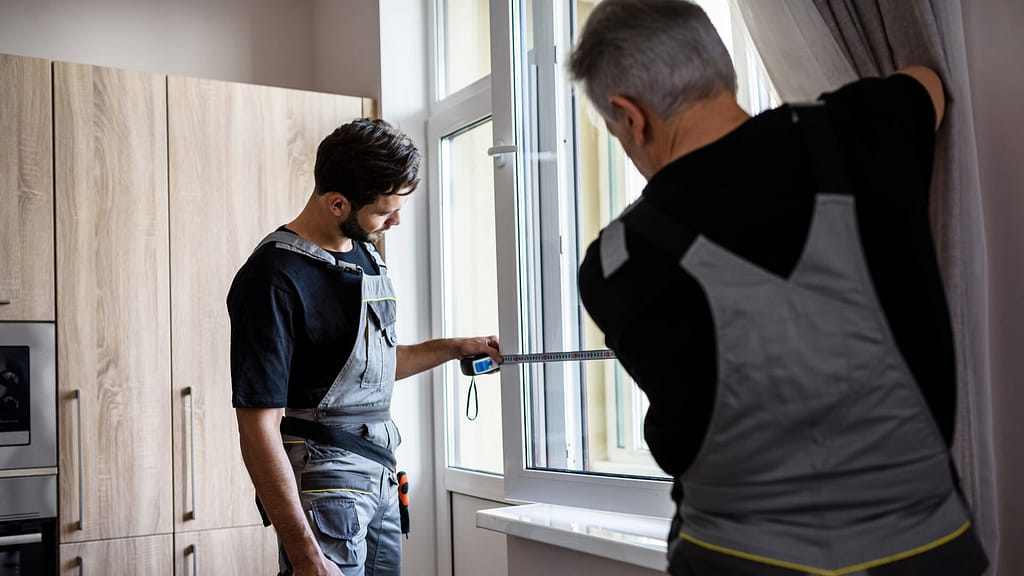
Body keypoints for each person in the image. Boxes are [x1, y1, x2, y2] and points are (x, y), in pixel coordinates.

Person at [569, 1, 989, 574]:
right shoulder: (864, 127)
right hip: (925, 549)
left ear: (630, 116)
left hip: (739, 558)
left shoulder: (614, 264)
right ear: (721, 71)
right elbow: (926, 84)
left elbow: (685, 431)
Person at [228, 118, 500, 576]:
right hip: (325, 488)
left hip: (379, 474)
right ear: (337, 203)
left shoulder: (363, 253)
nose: (395, 221)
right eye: (384, 211)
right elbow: (257, 431)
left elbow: (364, 370)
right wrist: (305, 554)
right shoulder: (271, 279)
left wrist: (457, 347)